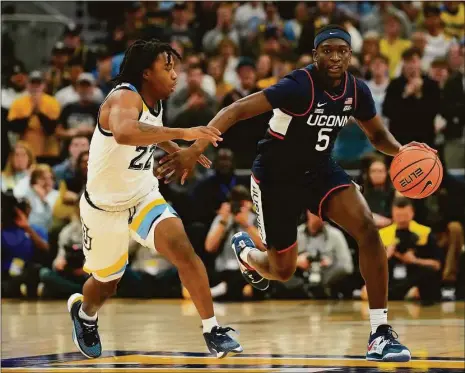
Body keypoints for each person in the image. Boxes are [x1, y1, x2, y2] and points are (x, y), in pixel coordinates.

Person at [156, 25, 437, 362]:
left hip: (320, 169)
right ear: (315, 55)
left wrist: (403, 151)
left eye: (341, 51)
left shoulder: (357, 91)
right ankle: (247, 253)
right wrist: (193, 148)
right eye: (327, 50)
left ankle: (380, 333)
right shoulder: (298, 85)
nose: (334, 57)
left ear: (350, 55)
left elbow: (377, 136)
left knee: (368, 228)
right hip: (275, 177)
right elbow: (234, 111)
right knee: (282, 270)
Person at [67, 39, 241, 360]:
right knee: (107, 283)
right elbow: (124, 133)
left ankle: (212, 329)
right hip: (104, 208)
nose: (175, 74)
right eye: (168, 67)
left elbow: (150, 129)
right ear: (147, 73)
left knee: (182, 248)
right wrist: (184, 134)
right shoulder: (123, 97)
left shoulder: (154, 99)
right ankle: (85, 313)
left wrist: (178, 150)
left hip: (142, 195)